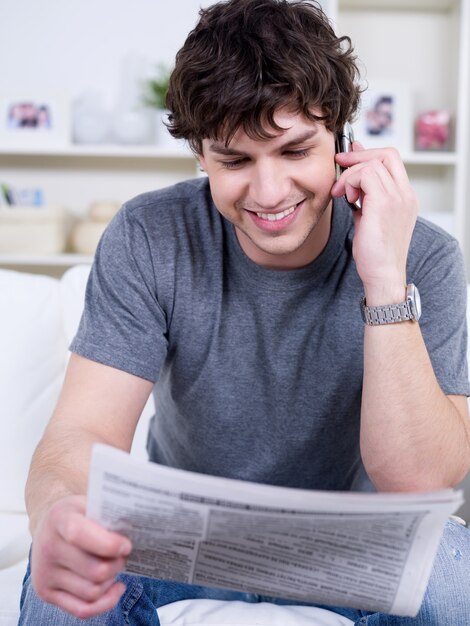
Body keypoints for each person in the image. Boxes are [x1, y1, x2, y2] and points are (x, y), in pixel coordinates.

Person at [19, 0, 470, 624]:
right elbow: (81, 433)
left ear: (340, 138)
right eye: (234, 161)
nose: (268, 193)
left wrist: (385, 278)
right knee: (53, 593)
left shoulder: (425, 254)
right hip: (181, 540)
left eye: (294, 152)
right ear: (200, 155)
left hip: (354, 550)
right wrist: (58, 514)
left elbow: (422, 483)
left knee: (459, 580)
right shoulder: (149, 234)